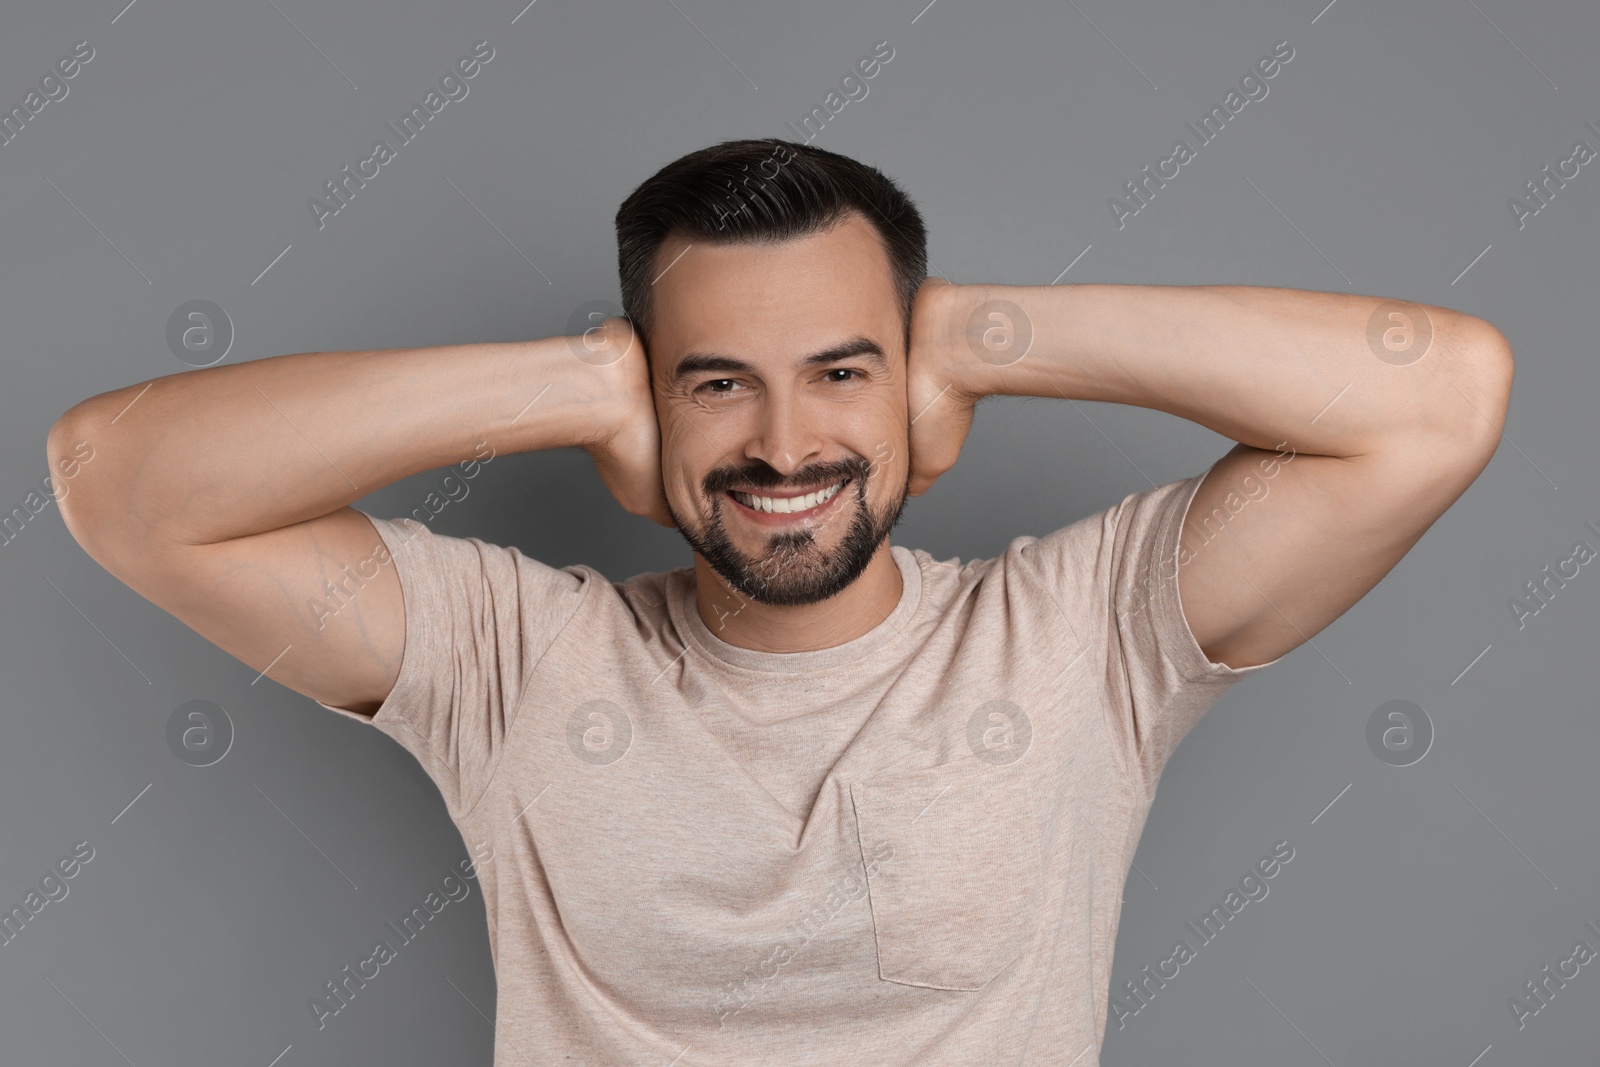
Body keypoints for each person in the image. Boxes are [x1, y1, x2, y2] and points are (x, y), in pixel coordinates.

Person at [48, 138, 1513, 1065]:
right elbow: (116, 476)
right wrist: (574, 382)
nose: (784, 444)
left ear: (918, 394)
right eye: (715, 383)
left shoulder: (1083, 637)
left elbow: (1441, 398)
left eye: (840, 371)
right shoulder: (510, 660)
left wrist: (987, 336)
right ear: (651, 408)